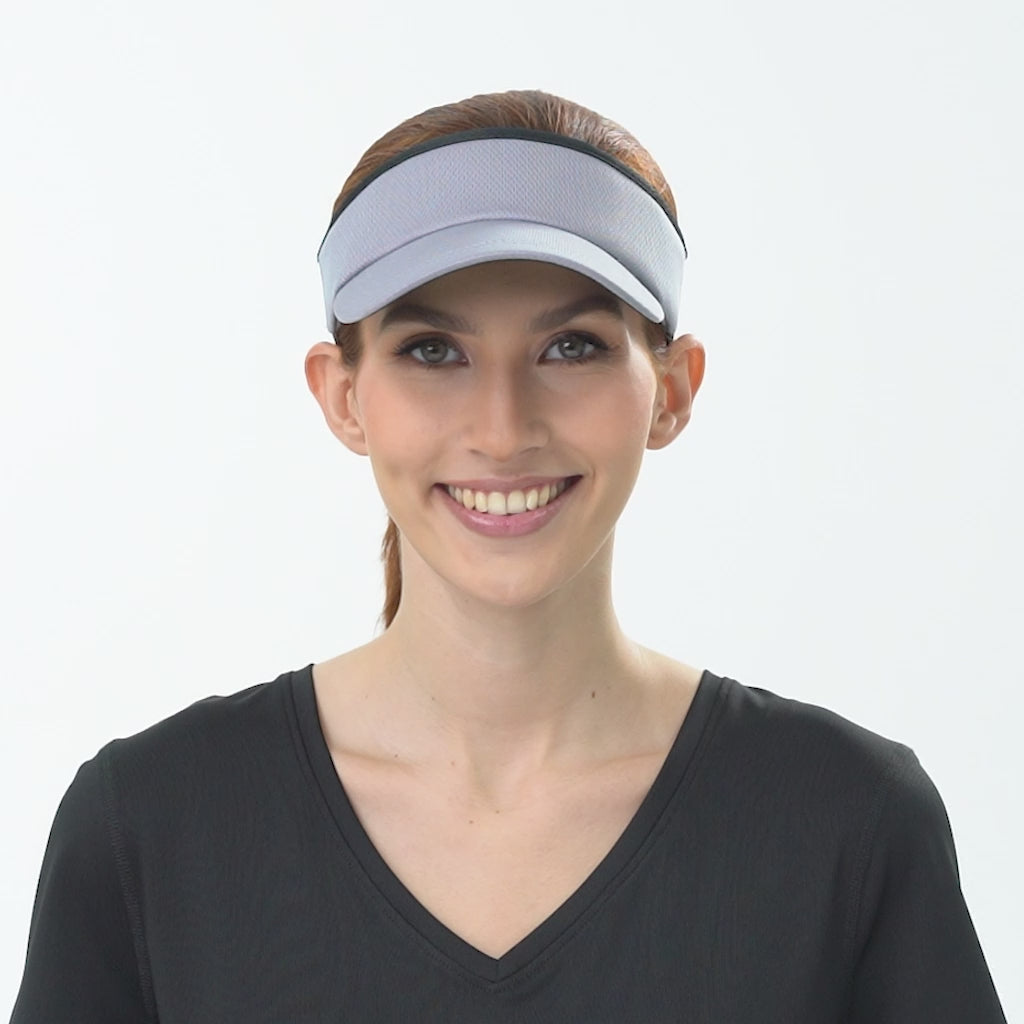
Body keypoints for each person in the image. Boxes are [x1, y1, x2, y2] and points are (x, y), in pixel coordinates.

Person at [10, 89, 1007, 1023]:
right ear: (342, 396)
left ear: (672, 389)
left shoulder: (845, 824)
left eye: (571, 346)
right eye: (431, 351)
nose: (501, 428)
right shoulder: (153, 827)